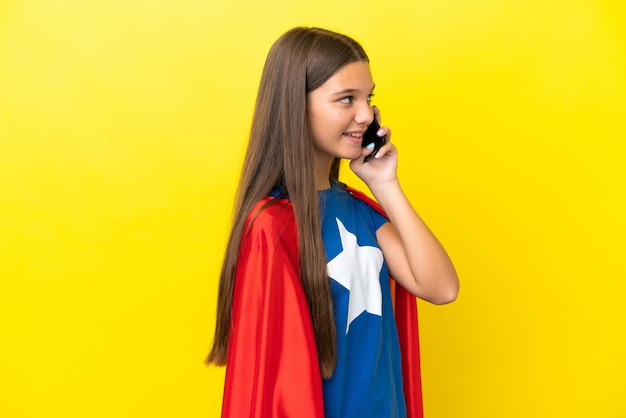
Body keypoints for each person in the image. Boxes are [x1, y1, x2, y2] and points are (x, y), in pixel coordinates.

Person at [207, 27, 459, 418]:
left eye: (369, 98)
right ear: (295, 106)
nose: (365, 114)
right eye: (346, 99)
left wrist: (385, 184)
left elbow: (441, 287)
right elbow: (275, 386)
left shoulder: (361, 211)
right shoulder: (271, 228)